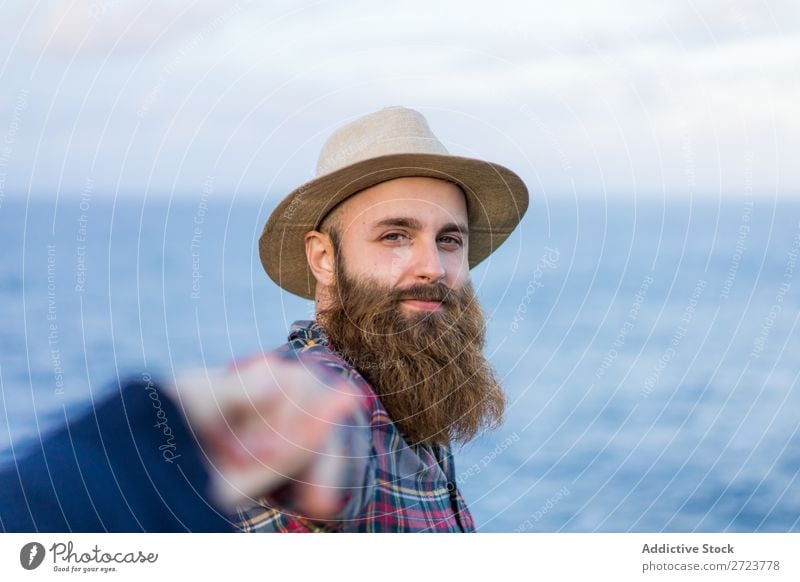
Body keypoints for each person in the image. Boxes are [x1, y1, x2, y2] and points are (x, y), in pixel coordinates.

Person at [0, 106, 528, 533]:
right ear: (323, 258)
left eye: (449, 240)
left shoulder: (412, 389)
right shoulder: (318, 404)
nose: (433, 267)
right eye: (394, 235)